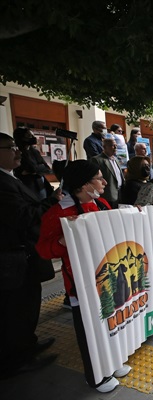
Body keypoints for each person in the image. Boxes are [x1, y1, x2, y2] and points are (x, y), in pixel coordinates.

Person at [36, 160, 131, 393]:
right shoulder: (59, 212)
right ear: (83, 185)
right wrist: (62, 240)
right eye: (99, 178)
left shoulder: (101, 204)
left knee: (111, 321)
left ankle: (113, 360)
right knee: (89, 332)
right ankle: (96, 376)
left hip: (107, 277)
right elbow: (43, 249)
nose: (104, 182)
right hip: (80, 284)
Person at [0, 132, 61, 379]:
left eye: (18, 147)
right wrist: (52, 202)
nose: (18, 151)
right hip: (12, 260)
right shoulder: (2, 184)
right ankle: (15, 360)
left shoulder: (11, 178)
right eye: (11, 147)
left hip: (25, 258)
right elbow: (22, 217)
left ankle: (28, 344)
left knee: (28, 305)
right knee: (14, 311)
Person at [13, 127, 52, 200]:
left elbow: (46, 167)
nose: (33, 138)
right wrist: (36, 169)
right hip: (28, 185)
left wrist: (33, 170)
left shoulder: (34, 151)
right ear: (21, 138)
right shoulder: (17, 153)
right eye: (29, 136)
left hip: (41, 183)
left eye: (33, 135)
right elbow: (32, 169)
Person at [90, 137, 125, 209]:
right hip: (108, 195)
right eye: (112, 145)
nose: (115, 147)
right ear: (104, 147)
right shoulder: (97, 160)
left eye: (116, 145)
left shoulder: (116, 160)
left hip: (120, 194)